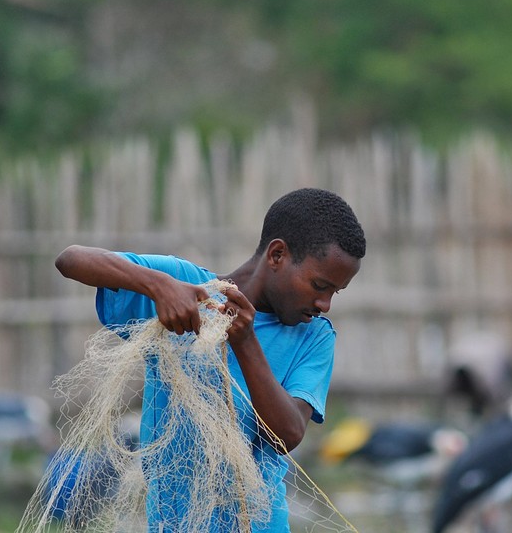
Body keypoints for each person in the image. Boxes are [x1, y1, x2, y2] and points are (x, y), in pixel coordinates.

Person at [54, 187, 366, 532]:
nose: (325, 304)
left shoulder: (315, 337)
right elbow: (71, 260)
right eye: (319, 285)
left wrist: (245, 341)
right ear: (277, 255)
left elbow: (287, 434)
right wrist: (158, 285)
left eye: (334, 292)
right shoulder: (187, 288)